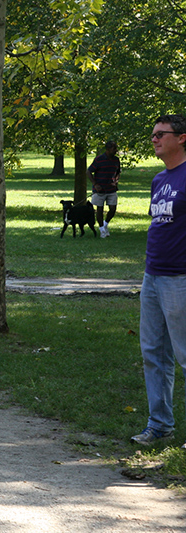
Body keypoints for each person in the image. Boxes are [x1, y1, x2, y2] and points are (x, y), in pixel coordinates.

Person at [132, 114, 186, 448]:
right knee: (153, 353)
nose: (154, 139)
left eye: (160, 134)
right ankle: (159, 424)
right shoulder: (159, 179)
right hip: (153, 276)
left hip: (180, 278)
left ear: (181, 138)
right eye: (152, 134)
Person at [87, 140, 121, 238]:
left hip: (111, 189)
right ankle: (102, 229)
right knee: (100, 210)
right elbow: (89, 172)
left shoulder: (116, 160)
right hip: (99, 190)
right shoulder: (99, 159)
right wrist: (95, 184)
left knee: (113, 209)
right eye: (113, 148)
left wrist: (116, 181)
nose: (115, 150)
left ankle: (105, 224)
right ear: (107, 149)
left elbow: (118, 172)